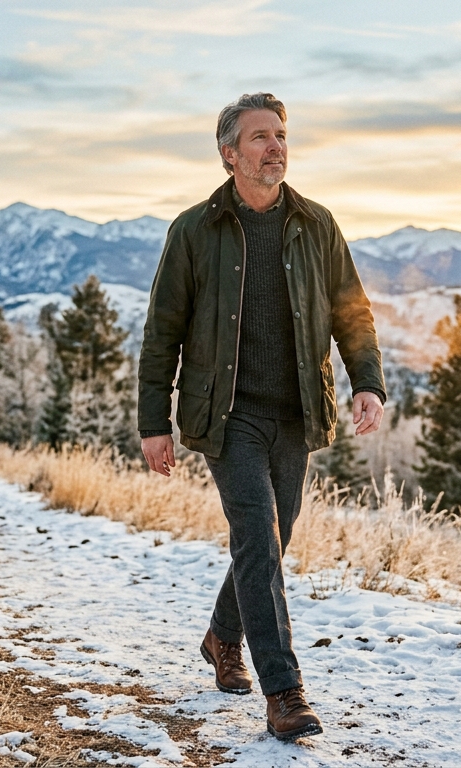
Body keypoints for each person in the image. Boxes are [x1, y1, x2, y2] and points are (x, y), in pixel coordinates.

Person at [136, 92, 386, 741]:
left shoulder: (317, 223)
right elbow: (162, 331)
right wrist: (152, 421)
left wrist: (369, 384)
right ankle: (284, 691)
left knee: (272, 541)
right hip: (228, 416)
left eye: (280, 134)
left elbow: (351, 311)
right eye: (259, 137)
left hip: (297, 413)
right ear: (229, 154)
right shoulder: (195, 230)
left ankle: (223, 635)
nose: (275, 146)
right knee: (255, 532)